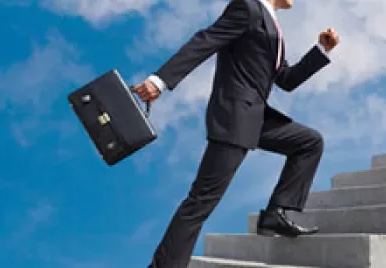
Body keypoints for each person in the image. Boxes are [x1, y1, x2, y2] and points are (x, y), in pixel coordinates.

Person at [132, 0, 340, 266]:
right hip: (235, 117)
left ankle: (274, 214)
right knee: (201, 202)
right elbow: (205, 41)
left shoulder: (272, 26)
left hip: (255, 117)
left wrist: (321, 50)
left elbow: (286, 79)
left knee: (309, 142)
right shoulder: (247, 7)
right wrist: (159, 81)